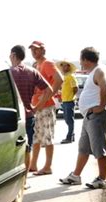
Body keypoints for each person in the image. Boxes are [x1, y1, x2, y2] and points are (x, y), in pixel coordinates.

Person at [60, 47, 106, 189]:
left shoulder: (99, 71)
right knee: (83, 148)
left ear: (85, 59)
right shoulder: (94, 71)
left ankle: (102, 179)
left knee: (99, 147)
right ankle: (75, 176)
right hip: (90, 116)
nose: (80, 62)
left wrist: (101, 106)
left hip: (97, 115)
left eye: (81, 59)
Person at [9, 45, 53, 186]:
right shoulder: (32, 71)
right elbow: (49, 90)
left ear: (14, 55)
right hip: (28, 116)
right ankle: (24, 182)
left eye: (10, 55)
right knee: (26, 148)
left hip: (10, 117)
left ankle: (11, 182)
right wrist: (36, 107)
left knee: (10, 150)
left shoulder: (9, 73)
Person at [29, 41, 64, 175]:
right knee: (37, 137)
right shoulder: (38, 64)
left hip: (46, 106)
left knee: (47, 137)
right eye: (32, 49)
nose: (34, 52)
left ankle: (48, 166)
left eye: (36, 49)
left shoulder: (47, 63)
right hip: (38, 106)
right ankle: (33, 164)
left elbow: (59, 79)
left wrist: (49, 95)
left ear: (43, 50)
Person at [56, 60, 79, 143]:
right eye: (62, 65)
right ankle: (71, 135)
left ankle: (69, 137)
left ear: (69, 67)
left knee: (69, 119)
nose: (63, 67)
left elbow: (75, 88)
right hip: (65, 101)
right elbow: (63, 89)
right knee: (66, 119)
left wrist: (71, 97)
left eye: (65, 65)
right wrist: (61, 96)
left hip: (69, 101)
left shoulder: (71, 76)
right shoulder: (64, 77)